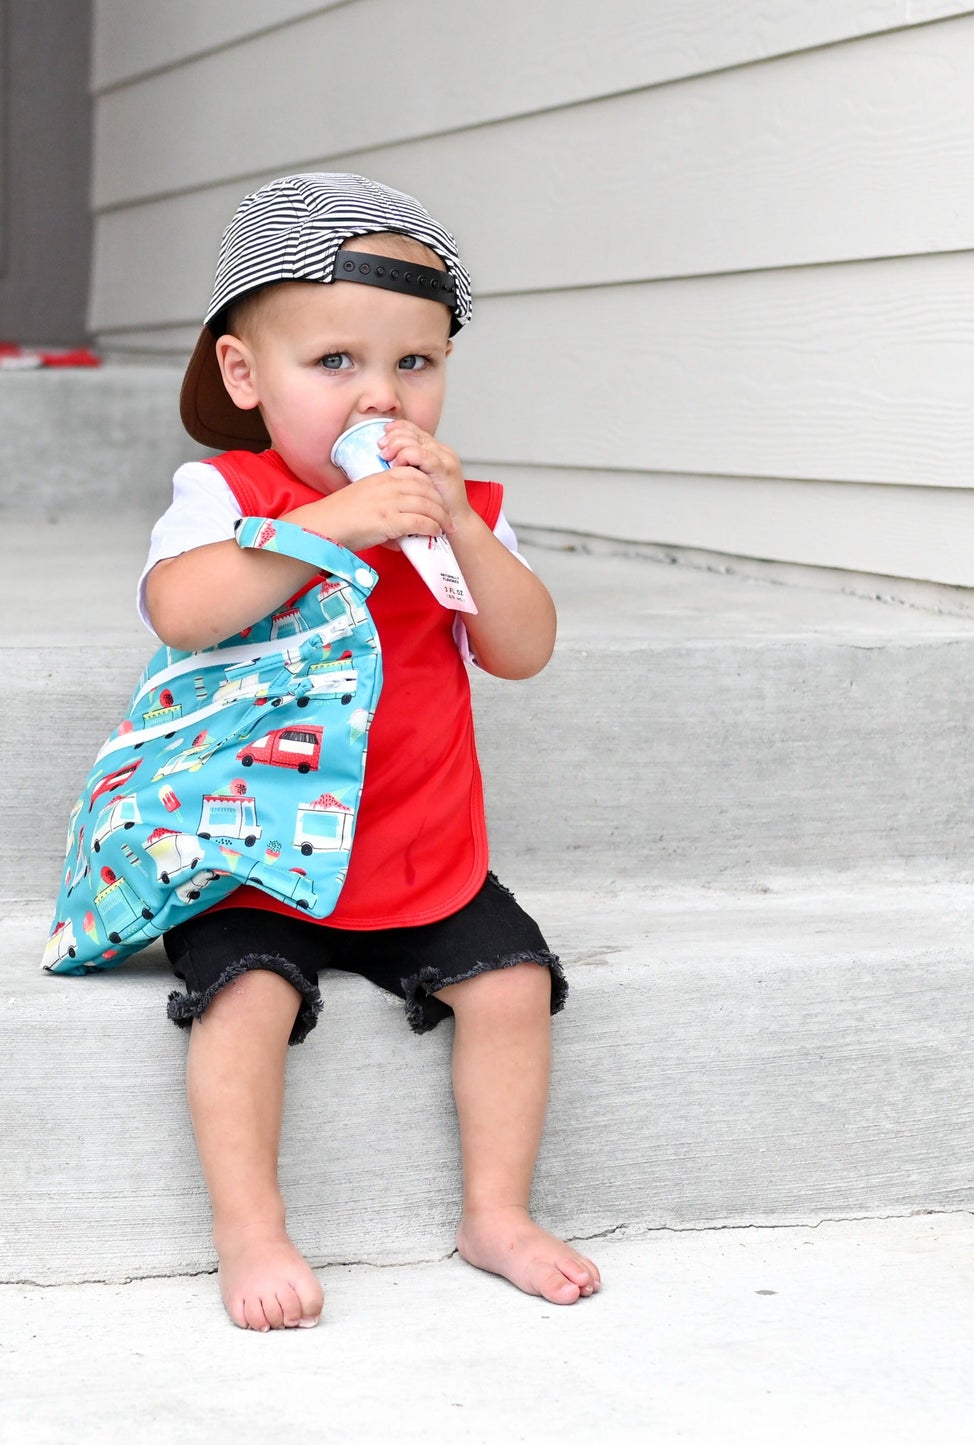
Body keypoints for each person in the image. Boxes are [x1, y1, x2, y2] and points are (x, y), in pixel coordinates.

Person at [142, 172, 601, 1330]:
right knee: (241, 994)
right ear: (246, 377)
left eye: (414, 364)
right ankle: (249, 1227)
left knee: (511, 982)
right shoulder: (222, 490)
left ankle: (494, 1209)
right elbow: (183, 609)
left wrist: (457, 528)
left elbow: (522, 646)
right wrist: (322, 527)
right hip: (257, 837)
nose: (378, 397)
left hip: (413, 842)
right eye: (333, 362)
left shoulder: (455, 502)